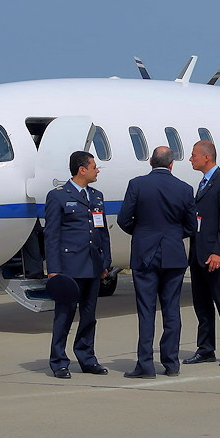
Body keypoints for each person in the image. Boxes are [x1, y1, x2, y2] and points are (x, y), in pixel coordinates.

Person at [116, 146, 197, 378]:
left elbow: (123, 219)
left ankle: (145, 364)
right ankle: (171, 363)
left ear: (151, 161)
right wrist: (171, 236)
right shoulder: (184, 188)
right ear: (171, 164)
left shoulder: (137, 184)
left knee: (146, 310)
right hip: (173, 254)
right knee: (172, 309)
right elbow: (191, 227)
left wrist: (141, 233)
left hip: (145, 254)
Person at [42, 151, 111, 379]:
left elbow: (102, 232)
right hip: (70, 266)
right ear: (82, 169)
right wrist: (53, 269)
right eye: (94, 166)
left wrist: (106, 261)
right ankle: (59, 361)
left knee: (89, 315)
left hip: (92, 265)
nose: (97, 170)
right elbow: (51, 235)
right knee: (64, 315)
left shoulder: (97, 196)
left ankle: (87, 357)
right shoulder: (59, 196)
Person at [185, 139, 220, 367]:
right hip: (199, 255)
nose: (191, 159)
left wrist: (219, 251)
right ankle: (205, 349)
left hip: (214, 256)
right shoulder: (202, 183)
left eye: (193, 155)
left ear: (206, 157)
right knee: (202, 305)